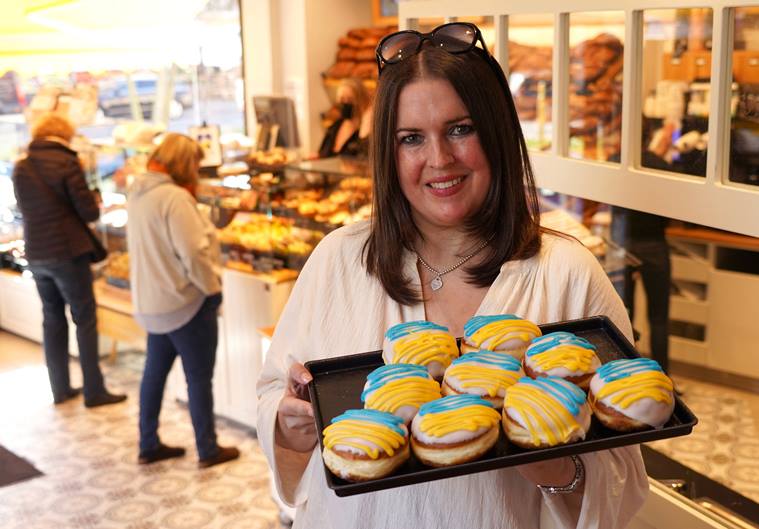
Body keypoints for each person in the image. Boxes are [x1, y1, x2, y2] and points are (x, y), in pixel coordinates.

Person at [257, 23, 647, 529]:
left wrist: (548, 460)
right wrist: (289, 426)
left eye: (461, 129)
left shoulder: (565, 274)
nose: (439, 159)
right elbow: (272, 394)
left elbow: (624, 482)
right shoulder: (338, 260)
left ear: (498, 133)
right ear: (387, 154)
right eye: (411, 138)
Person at [127, 133, 239, 468]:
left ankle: (148, 443)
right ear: (183, 163)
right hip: (184, 301)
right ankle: (207, 449)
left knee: (154, 374)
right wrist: (212, 288)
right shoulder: (175, 198)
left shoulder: (138, 191)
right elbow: (193, 252)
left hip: (152, 302)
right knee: (199, 377)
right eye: (194, 163)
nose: (197, 170)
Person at [12, 112, 126, 408]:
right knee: (84, 319)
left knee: (52, 318)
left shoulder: (21, 167)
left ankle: (60, 388)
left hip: (36, 251)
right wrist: (96, 200)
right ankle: (94, 389)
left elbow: (27, 209)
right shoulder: (67, 163)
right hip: (68, 252)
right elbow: (89, 213)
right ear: (64, 134)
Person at [611, 207, 672, 373]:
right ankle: (664, 379)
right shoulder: (662, 181)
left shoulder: (625, 181)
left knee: (624, 314)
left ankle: (624, 374)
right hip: (654, 242)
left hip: (623, 243)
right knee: (659, 318)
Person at [317, 77, 373, 158]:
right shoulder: (335, 127)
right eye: (342, 99)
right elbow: (322, 154)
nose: (345, 103)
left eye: (350, 99)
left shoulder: (365, 131)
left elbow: (364, 157)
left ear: (361, 100)